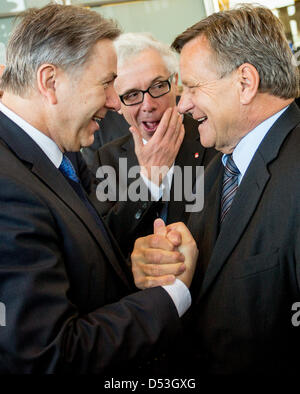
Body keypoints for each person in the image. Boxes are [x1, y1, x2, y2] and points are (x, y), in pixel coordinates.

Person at [0, 4, 198, 374]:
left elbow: (94, 249)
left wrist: (139, 260)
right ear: (50, 81)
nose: (113, 102)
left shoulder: (60, 157)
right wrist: (173, 295)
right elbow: (48, 355)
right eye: (106, 83)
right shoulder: (7, 184)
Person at [133, 5, 300, 375]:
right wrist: (166, 265)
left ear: (245, 83)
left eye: (192, 86)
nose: (183, 104)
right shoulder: (215, 173)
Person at [85, 33, 216, 256]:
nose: (148, 105)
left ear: (175, 83)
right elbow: (106, 243)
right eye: (133, 94)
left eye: (157, 86)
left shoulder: (213, 141)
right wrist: (149, 181)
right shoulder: (107, 158)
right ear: (117, 102)